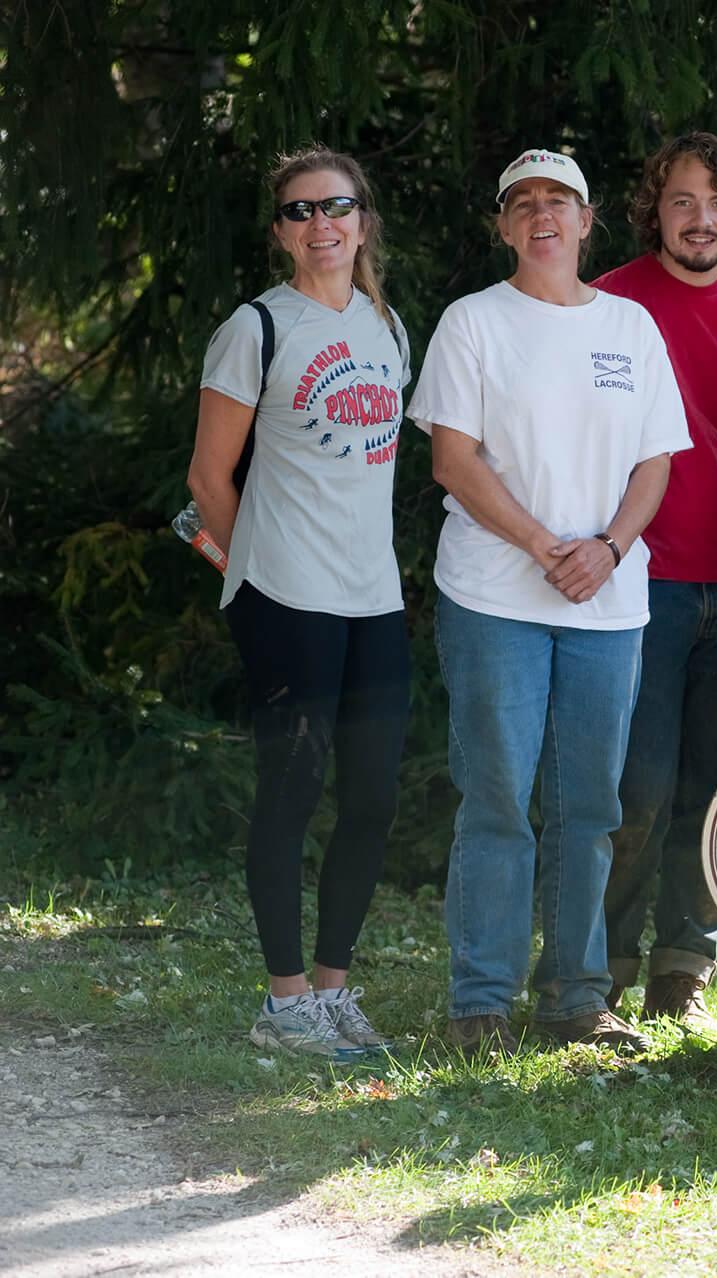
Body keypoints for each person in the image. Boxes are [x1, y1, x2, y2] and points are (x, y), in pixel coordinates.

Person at [409, 148, 692, 1053]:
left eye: (558, 201)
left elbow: (657, 460)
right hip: (496, 594)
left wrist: (608, 550)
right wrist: (542, 544)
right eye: (521, 202)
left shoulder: (631, 327)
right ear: (503, 225)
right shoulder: (472, 322)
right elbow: (452, 459)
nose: (541, 215)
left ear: (585, 219)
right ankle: (479, 1002)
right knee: (496, 796)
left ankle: (574, 996)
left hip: (608, 602)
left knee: (590, 806)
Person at [186, 145, 411, 1061]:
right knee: (293, 791)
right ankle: (283, 1007)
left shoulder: (389, 327)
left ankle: (333, 990)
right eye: (300, 211)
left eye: (338, 206)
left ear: (363, 220)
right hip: (285, 596)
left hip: (375, 599)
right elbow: (207, 476)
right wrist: (256, 576)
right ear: (281, 231)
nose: (322, 224)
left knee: (372, 796)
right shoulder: (256, 328)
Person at [592, 133, 717, 1029]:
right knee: (635, 789)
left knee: (715, 794)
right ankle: (601, 966)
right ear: (654, 209)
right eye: (682, 200)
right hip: (637, 582)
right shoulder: (606, 305)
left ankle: (683, 964)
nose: (700, 218)